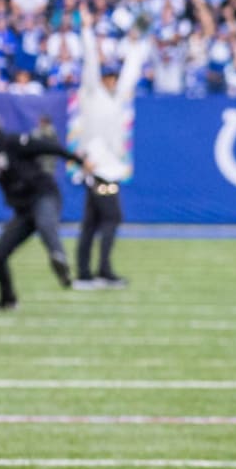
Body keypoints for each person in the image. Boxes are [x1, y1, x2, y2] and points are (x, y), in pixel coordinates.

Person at [0, 110, 85, 311]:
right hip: (23, 210)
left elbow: (49, 147)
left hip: (43, 195)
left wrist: (78, 161)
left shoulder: (14, 141)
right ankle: (8, 300)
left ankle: (58, 258)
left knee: (45, 223)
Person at [71, 18, 149, 288]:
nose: (113, 81)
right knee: (111, 218)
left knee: (92, 221)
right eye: (108, 77)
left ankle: (85, 274)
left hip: (108, 169)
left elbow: (131, 73)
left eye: (114, 77)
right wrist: (86, 30)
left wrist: (137, 45)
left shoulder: (118, 97)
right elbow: (90, 63)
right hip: (97, 170)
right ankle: (100, 271)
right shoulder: (91, 93)